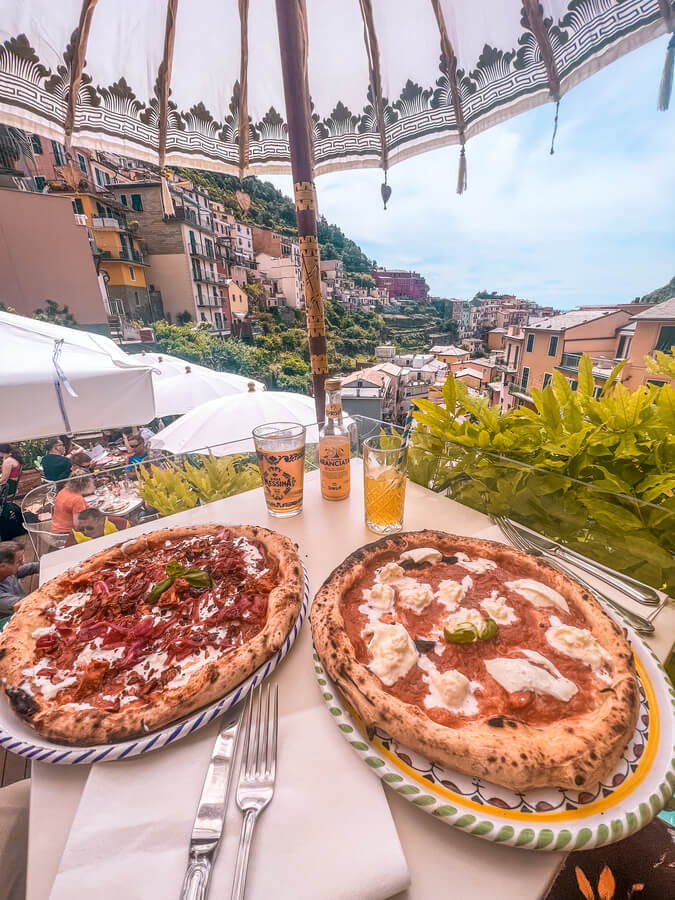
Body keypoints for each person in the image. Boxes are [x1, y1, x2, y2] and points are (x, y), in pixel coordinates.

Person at [0, 542, 39, 618]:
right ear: (2, 566)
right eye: (18, 561)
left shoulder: (7, 572)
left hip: (28, 608)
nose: (22, 563)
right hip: (15, 619)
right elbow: (24, 603)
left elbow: (31, 567)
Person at [65, 507, 129, 546]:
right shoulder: (75, 536)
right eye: (81, 529)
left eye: (89, 528)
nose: (85, 532)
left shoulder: (118, 523)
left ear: (101, 521)